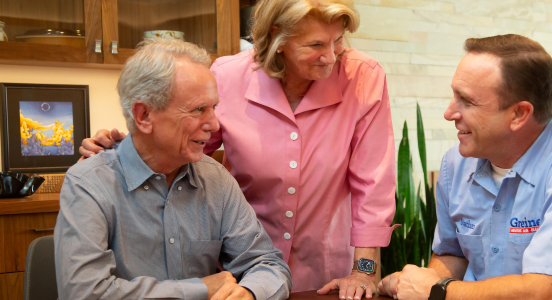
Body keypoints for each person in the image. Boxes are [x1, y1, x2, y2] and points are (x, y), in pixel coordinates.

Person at [78, 0, 397, 297]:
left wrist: (364, 272)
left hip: (325, 273)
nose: (330, 55)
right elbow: (186, 154)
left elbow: (373, 185)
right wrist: (124, 150)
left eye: (338, 40)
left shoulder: (362, 77)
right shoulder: (228, 75)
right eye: (315, 44)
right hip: (242, 264)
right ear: (278, 38)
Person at [378, 34, 552, 300]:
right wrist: (421, 283)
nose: (449, 113)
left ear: (519, 114)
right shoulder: (455, 164)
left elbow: (544, 294)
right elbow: (453, 253)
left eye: (467, 101)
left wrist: (438, 291)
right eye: (454, 96)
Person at [55, 39, 292, 300]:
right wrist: (202, 288)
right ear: (144, 115)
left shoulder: (216, 179)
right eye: (199, 109)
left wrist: (249, 292)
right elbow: (84, 293)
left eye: (213, 108)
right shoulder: (88, 183)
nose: (214, 125)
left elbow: (269, 265)